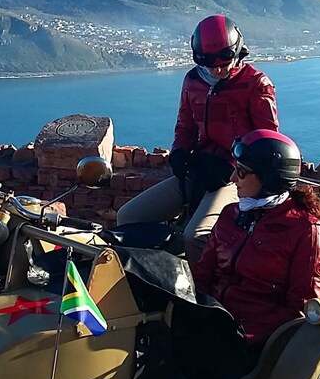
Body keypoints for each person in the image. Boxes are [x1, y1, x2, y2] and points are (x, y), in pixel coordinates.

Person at [116, 15, 279, 265]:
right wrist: (179, 152)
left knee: (196, 236)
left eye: (224, 61)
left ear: (237, 52)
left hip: (235, 178)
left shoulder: (256, 84)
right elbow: (185, 126)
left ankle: (197, 295)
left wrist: (235, 166)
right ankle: (152, 273)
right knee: (128, 217)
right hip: (199, 169)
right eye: (208, 62)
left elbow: (267, 142)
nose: (216, 69)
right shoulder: (193, 81)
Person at [192, 129, 320, 348]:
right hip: (213, 318)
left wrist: (241, 333)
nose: (231, 178)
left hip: (252, 340)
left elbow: (300, 311)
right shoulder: (231, 213)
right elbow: (202, 274)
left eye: (240, 172)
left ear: (269, 179)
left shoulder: (307, 231)